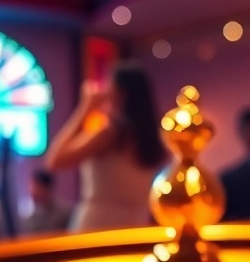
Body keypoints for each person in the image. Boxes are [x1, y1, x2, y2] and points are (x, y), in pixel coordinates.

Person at [45, 62, 167, 232]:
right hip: (136, 223)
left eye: (109, 85)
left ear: (121, 93)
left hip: (97, 223)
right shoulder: (153, 135)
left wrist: (84, 108)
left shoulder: (111, 133)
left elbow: (54, 160)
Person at [21, 170, 72, 234]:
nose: (32, 192)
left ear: (47, 188)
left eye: (36, 187)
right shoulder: (31, 218)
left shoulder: (65, 212)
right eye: (31, 187)